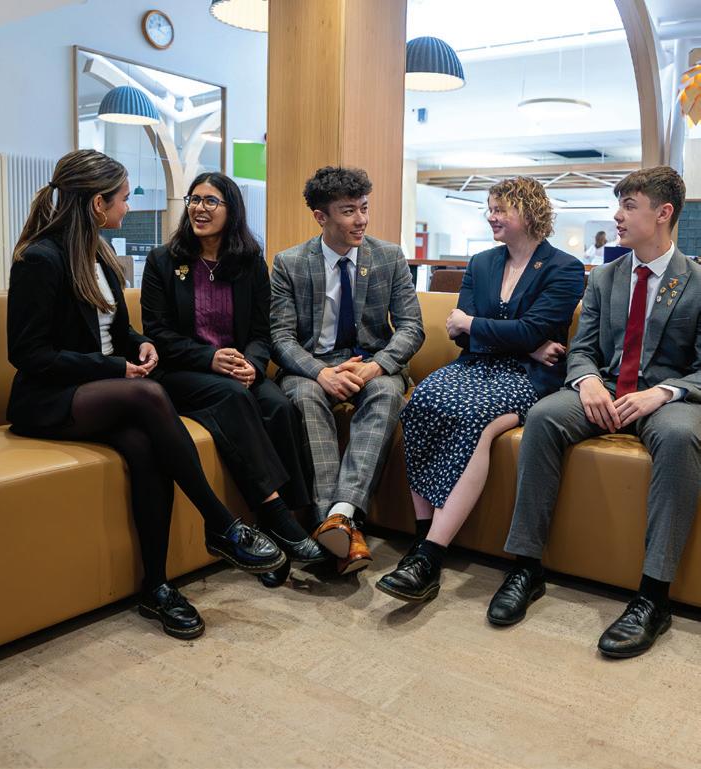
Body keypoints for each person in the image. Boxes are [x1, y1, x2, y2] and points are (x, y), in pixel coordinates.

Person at [7, 150, 285, 640]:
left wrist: (141, 344)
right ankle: (221, 523)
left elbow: (117, 330)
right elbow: (28, 354)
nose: (129, 206)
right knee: (148, 395)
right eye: (123, 197)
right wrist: (117, 368)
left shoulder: (100, 255)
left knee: (145, 448)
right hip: (49, 399)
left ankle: (155, 588)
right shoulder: (40, 259)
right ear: (98, 203)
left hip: (101, 392)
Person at [487, 166, 701, 658]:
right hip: (604, 388)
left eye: (629, 206)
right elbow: (581, 348)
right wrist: (585, 382)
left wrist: (663, 393)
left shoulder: (696, 281)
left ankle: (654, 596)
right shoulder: (605, 276)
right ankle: (526, 567)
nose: (617, 216)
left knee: (679, 437)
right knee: (544, 416)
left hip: (665, 400)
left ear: (663, 213)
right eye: (619, 205)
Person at [376, 177, 584, 602]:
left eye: (500, 209)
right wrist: (524, 341)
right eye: (489, 208)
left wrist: (482, 327)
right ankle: (421, 536)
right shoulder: (482, 263)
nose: (491, 216)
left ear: (528, 212)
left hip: (527, 376)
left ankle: (431, 555)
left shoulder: (564, 268)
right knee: (421, 402)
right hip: (475, 364)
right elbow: (461, 336)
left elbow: (509, 327)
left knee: (475, 419)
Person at [141, 172, 324, 589]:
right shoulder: (163, 261)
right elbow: (158, 333)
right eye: (194, 199)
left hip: (239, 369)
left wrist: (253, 366)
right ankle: (279, 521)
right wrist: (211, 358)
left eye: (211, 201)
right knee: (232, 397)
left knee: (279, 405)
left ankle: (289, 522)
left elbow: (261, 332)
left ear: (231, 210)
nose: (199, 208)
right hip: (183, 373)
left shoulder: (250, 263)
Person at [270, 166, 425, 575]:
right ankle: (340, 525)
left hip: (371, 363)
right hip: (313, 366)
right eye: (348, 211)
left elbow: (411, 327)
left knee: (388, 393)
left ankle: (338, 515)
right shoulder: (289, 263)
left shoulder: (388, 256)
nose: (361, 220)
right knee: (304, 397)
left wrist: (377, 366)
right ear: (321, 217)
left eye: (364, 208)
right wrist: (320, 373)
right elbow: (281, 338)